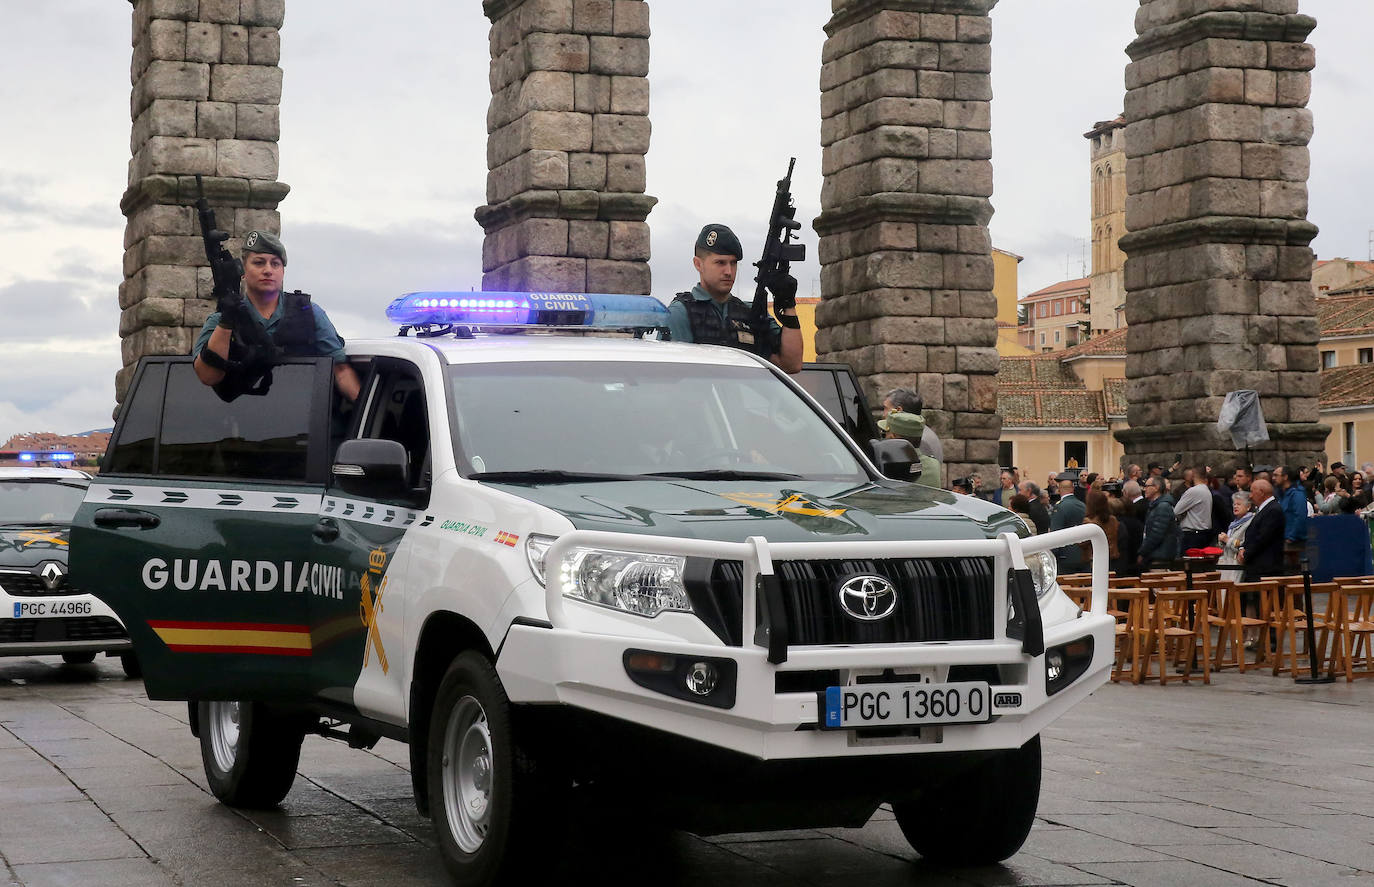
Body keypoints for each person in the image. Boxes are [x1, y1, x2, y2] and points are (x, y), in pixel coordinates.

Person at [193, 230, 361, 402]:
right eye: (258, 263)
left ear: (283, 271)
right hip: (244, 421)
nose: (268, 270)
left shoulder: (309, 313)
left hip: (308, 420)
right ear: (243, 270)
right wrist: (227, 320)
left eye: (275, 264)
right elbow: (208, 376)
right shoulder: (221, 321)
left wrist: (363, 408)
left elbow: (341, 371)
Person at [666, 223, 802, 373]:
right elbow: (672, 373)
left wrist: (788, 304)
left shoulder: (751, 313)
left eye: (733, 263)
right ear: (698, 264)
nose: (729, 271)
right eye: (720, 263)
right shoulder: (681, 313)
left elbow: (791, 364)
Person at [876, 411, 940, 488]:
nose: (884, 437)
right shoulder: (934, 464)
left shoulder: (887, 466)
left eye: (884, 433)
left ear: (892, 437)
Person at [881, 388, 944, 462]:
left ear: (898, 410)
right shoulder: (921, 433)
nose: (883, 414)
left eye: (885, 408)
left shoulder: (920, 440)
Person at [1240, 479, 1284, 580]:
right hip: (1256, 565)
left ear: (1261, 492)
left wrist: (1246, 554)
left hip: (1265, 567)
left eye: (1252, 491)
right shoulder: (1264, 509)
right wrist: (1242, 548)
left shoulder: (1273, 510)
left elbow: (1263, 537)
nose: (1250, 496)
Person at [1138, 475, 1180, 570]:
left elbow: (1156, 535)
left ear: (1156, 488)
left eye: (1147, 486)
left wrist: (1142, 552)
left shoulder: (1162, 507)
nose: (1145, 489)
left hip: (1160, 557)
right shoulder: (1155, 506)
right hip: (1156, 554)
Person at [1080, 490, 1125, 574]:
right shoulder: (1113, 520)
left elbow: (1083, 543)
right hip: (1112, 560)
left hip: (1095, 561)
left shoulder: (1089, 522)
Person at [1174, 465, 1215, 551]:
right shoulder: (1206, 490)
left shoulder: (1193, 491)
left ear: (1193, 475)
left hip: (1192, 535)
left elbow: (1176, 511)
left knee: (1189, 563)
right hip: (1204, 533)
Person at [1049, 478, 1086, 572]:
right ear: (1072, 489)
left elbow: (1055, 533)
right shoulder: (1082, 505)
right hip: (1082, 552)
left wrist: (1053, 553)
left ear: (1059, 489)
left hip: (1065, 555)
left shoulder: (1060, 507)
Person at [1219, 491, 1253, 569]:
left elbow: (1244, 545)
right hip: (1227, 561)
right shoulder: (1234, 523)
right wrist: (1221, 540)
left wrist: (1227, 540)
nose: (1235, 506)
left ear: (1248, 506)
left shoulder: (1250, 522)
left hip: (1238, 563)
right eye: (1234, 504)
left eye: (1239, 504)